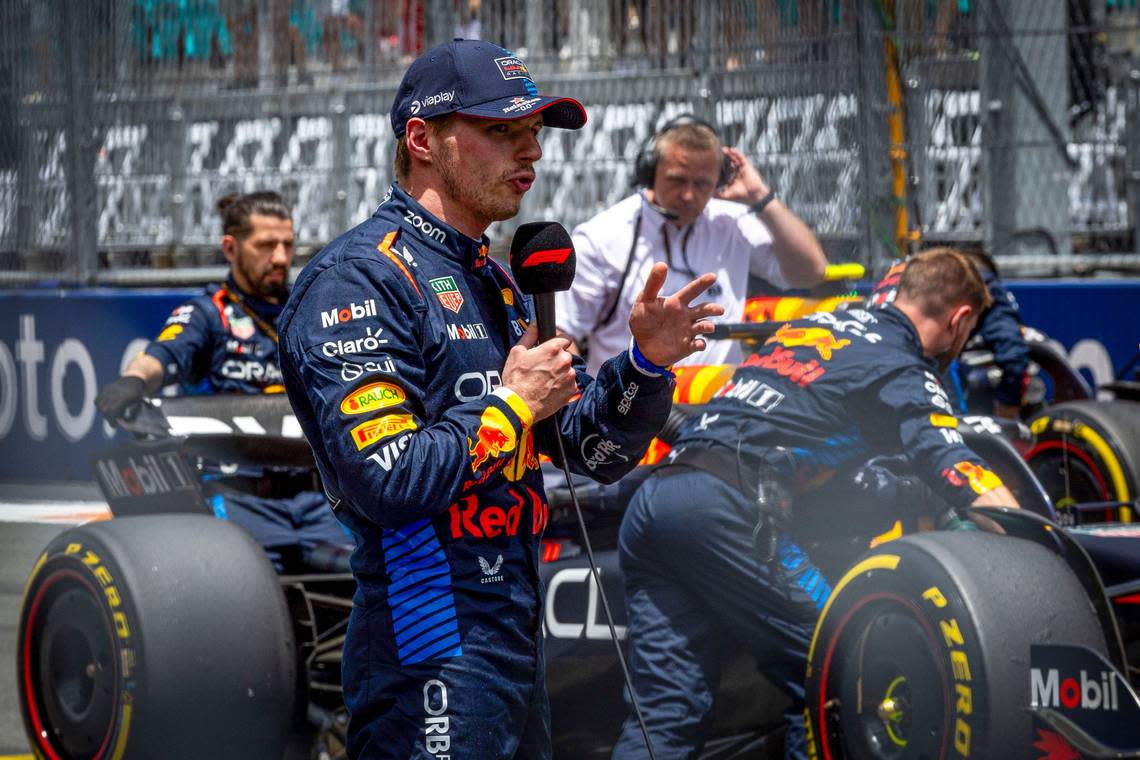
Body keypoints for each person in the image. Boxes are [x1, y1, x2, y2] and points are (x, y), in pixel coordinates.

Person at [275, 39, 723, 759]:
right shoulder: (359, 281)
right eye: (500, 131)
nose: (530, 153)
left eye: (533, 134)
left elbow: (587, 454)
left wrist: (645, 364)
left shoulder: (499, 280)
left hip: (511, 623)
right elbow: (389, 477)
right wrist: (511, 406)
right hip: (426, 633)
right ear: (422, 140)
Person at [612, 248, 1022, 760]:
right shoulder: (904, 367)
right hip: (726, 512)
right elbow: (951, 462)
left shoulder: (818, 325)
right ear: (961, 321)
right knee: (839, 671)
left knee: (663, 715)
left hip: (658, 496)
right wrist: (1028, 538)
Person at [94, 191, 348, 568]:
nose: (280, 258)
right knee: (245, 584)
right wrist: (132, 381)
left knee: (362, 578)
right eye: (266, 245)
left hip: (317, 498)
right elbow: (160, 357)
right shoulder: (207, 314)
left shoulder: (311, 310)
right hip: (235, 497)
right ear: (230, 248)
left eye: (287, 245)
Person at [556, 114, 828, 375]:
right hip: (630, 414)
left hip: (720, 408)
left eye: (702, 184)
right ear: (650, 172)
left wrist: (760, 197)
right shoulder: (602, 236)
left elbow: (809, 274)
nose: (688, 195)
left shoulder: (733, 222)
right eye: (677, 180)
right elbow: (561, 334)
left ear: (718, 182)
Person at [870, 249, 1030, 418]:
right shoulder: (976, 286)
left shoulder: (908, 272)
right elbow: (1014, 355)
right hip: (916, 370)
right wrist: (1007, 406)